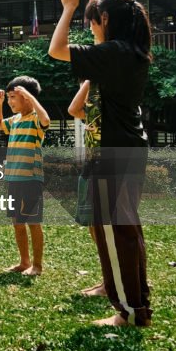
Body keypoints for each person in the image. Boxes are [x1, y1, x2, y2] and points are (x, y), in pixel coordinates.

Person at [49, 0, 153, 327]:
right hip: (126, 149)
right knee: (126, 228)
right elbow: (94, 56)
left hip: (113, 152)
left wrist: (69, 9)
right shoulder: (128, 51)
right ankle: (136, 303)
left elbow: (57, 49)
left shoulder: (115, 54)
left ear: (106, 21)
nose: (89, 25)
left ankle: (129, 311)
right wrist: (100, 11)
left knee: (114, 229)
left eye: (94, 19)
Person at [0, 76, 51, 276]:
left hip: (31, 179)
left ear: (27, 98)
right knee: (17, 222)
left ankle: (37, 265)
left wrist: (31, 97)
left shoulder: (35, 119)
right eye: (8, 97)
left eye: (12, 97)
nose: (10, 101)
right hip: (14, 179)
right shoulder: (15, 120)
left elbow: (46, 120)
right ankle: (24, 262)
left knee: (33, 222)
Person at [68, 78, 106, 296]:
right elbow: (74, 109)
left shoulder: (113, 103)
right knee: (94, 225)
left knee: (109, 227)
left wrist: (91, 79)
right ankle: (107, 278)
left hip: (109, 167)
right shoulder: (91, 110)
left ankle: (118, 279)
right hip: (92, 166)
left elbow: (73, 108)